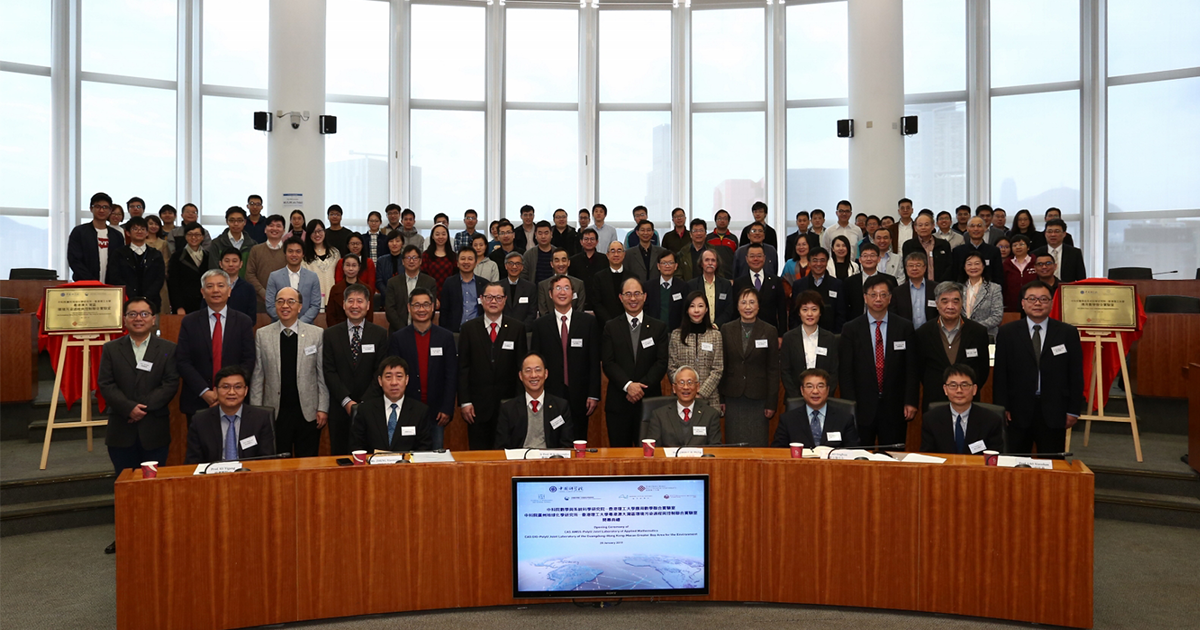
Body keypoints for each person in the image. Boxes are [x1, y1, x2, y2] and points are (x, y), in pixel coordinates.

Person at [993, 280, 1084, 453]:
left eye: (1043, 299)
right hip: (1017, 411)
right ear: (1023, 303)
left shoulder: (1067, 333)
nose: (1037, 303)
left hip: (1055, 410)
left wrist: (1073, 410)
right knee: (1016, 463)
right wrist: (1002, 407)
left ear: (1051, 303)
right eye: (1032, 298)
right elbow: (1000, 374)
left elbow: (1075, 374)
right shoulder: (1007, 332)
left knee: (1053, 465)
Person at [97, 297, 179, 485]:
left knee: (153, 485)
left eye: (144, 314)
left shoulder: (168, 349)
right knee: (125, 484)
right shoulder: (111, 349)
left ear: (153, 319)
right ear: (124, 319)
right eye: (132, 314)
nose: (138, 318)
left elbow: (170, 383)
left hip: (154, 431)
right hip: (121, 430)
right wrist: (128, 408)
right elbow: (106, 384)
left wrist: (141, 408)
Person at [837, 276, 919, 446]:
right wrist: (850, 406)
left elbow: (912, 368)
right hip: (861, 408)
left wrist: (910, 401)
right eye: (873, 295)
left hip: (895, 407)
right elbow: (846, 372)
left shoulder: (904, 327)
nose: (878, 299)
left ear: (890, 298)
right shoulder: (851, 329)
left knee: (892, 459)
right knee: (859, 459)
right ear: (865, 297)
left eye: (883, 294)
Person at [250, 287, 328, 458]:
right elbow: (257, 376)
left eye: (291, 301)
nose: (285, 306)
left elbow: (322, 374)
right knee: (277, 466)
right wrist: (257, 412)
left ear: (300, 307)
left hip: (308, 413)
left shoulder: (316, 334)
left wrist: (323, 407)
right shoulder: (263, 335)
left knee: (308, 466)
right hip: (275, 413)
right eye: (280, 301)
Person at [175, 269, 256, 423]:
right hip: (198, 399)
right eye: (210, 286)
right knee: (200, 446)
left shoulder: (243, 322)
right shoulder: (189, 322)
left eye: (220, 285)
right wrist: (205, 392)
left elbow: (248, 360)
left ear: (229, 290)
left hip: (234, 399)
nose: (215, 290)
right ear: (203, 292)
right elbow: (183, 361)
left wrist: (228, 391)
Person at [530, 274, 602, 441]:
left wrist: (593, 394)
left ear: (573, 293)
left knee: (578, 439)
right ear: (550, 294)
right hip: (550, 393)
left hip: (581, 395)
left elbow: (593, 361)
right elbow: (535, 361)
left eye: (566, 288)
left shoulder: (588, 322)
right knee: (552, 438)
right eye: (558, 288)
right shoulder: (540, 325)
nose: (562, 292)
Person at [600, 277, 670, 447]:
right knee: (619, 458)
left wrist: (639, 387)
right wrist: (628, 385)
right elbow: (608, 362)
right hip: (619, 403)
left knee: (648, 460)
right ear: (620, 297)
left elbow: (661, 363)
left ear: (645, 296)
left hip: (649, 403)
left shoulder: (658, 327)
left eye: (637, 294)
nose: (633, 299)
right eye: (628, 294)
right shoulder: (611, 327)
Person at [457, 282, 527, 450]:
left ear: (505, 300)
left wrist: (519, 403)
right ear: (481, 300)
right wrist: (465, 402)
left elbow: (521, 368)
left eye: (498, 297)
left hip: (509, 406)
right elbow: (463, 368)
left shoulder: (517, 328)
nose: (493, 301)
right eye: (489, 297)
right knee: (479, 456)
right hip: (477, 408)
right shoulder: (468, 329)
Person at [386, 288, 457, 449]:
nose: (421, 309)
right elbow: (394, 375)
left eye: (425, 305)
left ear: (433, 307)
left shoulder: (445, 337)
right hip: (406, 410)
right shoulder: (398, 338)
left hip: (437, 412)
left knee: (434, 460)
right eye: (416, 305)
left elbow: (451, 375)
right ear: (409, 308)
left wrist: (447, 408)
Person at [322, 283, 388, 455]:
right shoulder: (330, 334)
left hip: (371, 408)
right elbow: (329, 371)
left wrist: (363, 404)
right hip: (340, 408)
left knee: (370, 458)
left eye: (360, 301)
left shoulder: (380, 334)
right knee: (340, 458)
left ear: (368, 305)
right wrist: (347, 401)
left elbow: (379, 373)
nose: (355, 305)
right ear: (344, 305)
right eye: (350, 301)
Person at [719, 288, 781, 447]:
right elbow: (721, 365)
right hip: (733, 396)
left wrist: (771, 402)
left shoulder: (769, 331)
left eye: (752, 302)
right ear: (737, 306)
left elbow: (773, 369)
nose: (748, 307)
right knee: (733, 443)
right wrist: (720, 398)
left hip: (759, 398)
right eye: (743, 302)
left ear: (759, 306)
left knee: (758, 443)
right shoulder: (726, 329)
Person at [915, 281, 991, 411]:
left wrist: (968, 387)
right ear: (937, 304)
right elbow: (920, 369)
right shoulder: (923, 333)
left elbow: (983, 368)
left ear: (962, 304)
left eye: (955, 301)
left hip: (968, 400)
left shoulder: (978, 332)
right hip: (935, 399)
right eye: (945, 301)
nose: (950, 306)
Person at [184, 366, 276, 464]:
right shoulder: (200, 421)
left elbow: (267, 460)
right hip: (213, 476)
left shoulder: (260, 419)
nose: (231, 392)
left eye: (238, 387)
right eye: (225, 387)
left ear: (246, 391)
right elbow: (193, 462)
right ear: (215, 391)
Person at [349, 356, 433, 453]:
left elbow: (424, 449)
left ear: (406, 380)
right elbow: (356, 447)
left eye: (399, 376)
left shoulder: (420, 411)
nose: (394, 382)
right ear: (380, 381)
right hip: (373, 466)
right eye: (388, 377)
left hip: (407, 466)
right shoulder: (365, 410)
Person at [494, 354, 575, 449]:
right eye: (528, 371)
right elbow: (501, 447)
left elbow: (567, 445)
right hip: (519, 461)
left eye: (538, 370)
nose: (533, 375)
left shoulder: (561, 407)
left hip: (550, 461)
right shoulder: (508, 409)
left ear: (546, 374)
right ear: (521, 376)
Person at [920, 364, 1004, 455]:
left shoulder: (991, 420)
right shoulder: (931, 419)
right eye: (953, 385)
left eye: (964, 385)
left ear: (974, 389)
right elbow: (927, 456)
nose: (959, 390)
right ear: (945, 389)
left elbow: (994, 458)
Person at [770, 368, 858, 448]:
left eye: (820, 386)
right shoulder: (788, 420)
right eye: (809, 386)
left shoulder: (844, 419)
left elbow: (853, 452)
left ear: (827, 390)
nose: (815, 391)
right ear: (802, 390)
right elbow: (777, 451)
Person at [667, 291, 724, 412]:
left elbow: (717, 369)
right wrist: (685, 390)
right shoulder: (676, 335)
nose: (696, 310)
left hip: (710, 399)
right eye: (692, 306)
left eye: (700, 306)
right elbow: (672, 368)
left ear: (707, 309)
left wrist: (700, 393)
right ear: (687, 310)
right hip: (682, 399)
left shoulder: (715, 335)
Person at [641, 365, 722, 448]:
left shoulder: (711, 415)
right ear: (674, 388)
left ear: (697, 387)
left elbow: (715, 449)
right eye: (681, 383)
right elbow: (653, 450)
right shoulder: (659, 415)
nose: (686, 387)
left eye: (690, 382)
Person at [781, 290, 839, 398]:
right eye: (804, 309)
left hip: (824, 399)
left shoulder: (830, 339)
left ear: (820, 312)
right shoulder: (789, 338)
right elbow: (785, 371)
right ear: (799, 312)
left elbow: (834, 372)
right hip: (795, 399)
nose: (809, 314)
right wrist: (797, 397)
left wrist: (824, 395)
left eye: (814, 309)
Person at [68, 192, 125, 282]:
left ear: (110, 210)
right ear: (91, 209)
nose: (101, 210)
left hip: (110, 287)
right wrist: (91, 281)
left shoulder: (117, 236)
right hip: (85, 285)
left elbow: (120, 262)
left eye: (105, 207)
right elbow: (74, 260)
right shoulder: (79, 232)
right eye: (98, 207)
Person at [111, 217, 165, 312]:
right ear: (128, 233)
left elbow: (159, 278)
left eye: (143, 229)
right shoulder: (119, 253)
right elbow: (114, 276)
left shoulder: (156, 254)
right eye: (135, 229)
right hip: (126, 300)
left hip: (151, 301)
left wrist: (146, 296)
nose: (139, 231)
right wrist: (131, 295)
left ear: (147, 233)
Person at [265, 237, 322, 323]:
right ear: (285, 253)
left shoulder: (312, 277)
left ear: (303, 254)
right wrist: (286, 320)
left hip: (306, 326)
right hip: (280, 325)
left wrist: (299, 323)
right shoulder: (274, 276)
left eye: (298, 251)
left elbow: (315, 305)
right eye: (290, 251)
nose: (294, 255)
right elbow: (270, 305)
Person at [733, 242, 787, 333]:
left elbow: (782, 310)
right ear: (746, 259)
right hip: (745, 330)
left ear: (764, 258)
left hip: (771, 331)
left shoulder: (775, 281)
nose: (755, 259)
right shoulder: (739, 282)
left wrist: (782, 334)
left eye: (759, 256)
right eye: (752, 256)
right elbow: (735, 310)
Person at [789, 247, 845, 333]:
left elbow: (841, 314)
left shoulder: (837, 284)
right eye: (815, 260)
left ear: (827, 262)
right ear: (809, 263)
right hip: (803, 334)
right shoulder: (799, 285)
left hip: (830, 335)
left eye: (822, 260)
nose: (819, 264)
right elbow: (793, 314)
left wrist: (836, 336)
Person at [383, 244, 436, 333]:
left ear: (420, 261)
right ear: (403, 261)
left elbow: (431, 309)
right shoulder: (393, 282)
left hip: (423, 331)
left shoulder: (430, 282)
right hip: (397, 332)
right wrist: (404, 330)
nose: (411, 261)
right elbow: (390, 309)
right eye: (408, 258)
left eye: (415, 258)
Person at [438, 248, 488, 334]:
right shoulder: (449, 283)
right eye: (463, 259)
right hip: (455, 332)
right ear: (457, 263)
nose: (466, 262)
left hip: (479, 332)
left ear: (476, 263)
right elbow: (444, 311)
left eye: (470, 259)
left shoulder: (484, 284)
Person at [246, 214, 289, 312]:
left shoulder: (288, 251)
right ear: (265, 229)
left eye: (278, 226)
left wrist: (281, 295)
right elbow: (250, 274)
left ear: (283, 230)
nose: (274, 228)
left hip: (284, 300)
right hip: (259, 301)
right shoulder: (256, 250)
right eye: (271, 225)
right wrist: (263, 293)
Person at [844, 243, 897, 319]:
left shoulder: (890, 280)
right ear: (860, 260)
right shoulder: (849, 282)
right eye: (865, 256)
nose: (869, 259)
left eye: (872, 255)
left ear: (879, 259)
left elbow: (893, 305)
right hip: (857, 324)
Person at [168, 222, 211, 314]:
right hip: (184, 304)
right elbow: (173, 283)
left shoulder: (208, 256)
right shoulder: (177, 256)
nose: (194, 238)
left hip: (204, 303)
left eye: (197, 235)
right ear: (185, 236)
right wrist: (179, 306)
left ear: (203, 237)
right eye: (190, 234)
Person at [589, 241, 634, 327]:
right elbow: (596, 303)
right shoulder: (599, 277)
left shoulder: (632, 277)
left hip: (628, 324)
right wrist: (610, 322)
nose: (616, 254)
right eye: (612, 251)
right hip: (605, 325)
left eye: (619, 251)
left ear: (624, 254)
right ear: (607, 255)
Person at [686, 249, 735, 327]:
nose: (710, 263)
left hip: (721, 328)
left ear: (717, 264)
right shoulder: (692, 285)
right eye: (707, 260)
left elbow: (729, 309)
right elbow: (689, 308)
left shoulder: (726, 284)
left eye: (713, 260)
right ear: (701, 263)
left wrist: (716, 325)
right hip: (698, 328)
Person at [952, 217, 1005, 288]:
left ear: (985, 228)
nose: (976, 229)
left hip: (988, 292)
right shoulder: (958, 251)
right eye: (972, 226)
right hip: (964, 291)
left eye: (979, 226)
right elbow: (955, 276)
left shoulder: (994, 251)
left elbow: (998, 276)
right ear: (967, 229)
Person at [961, 251, 1004, 338]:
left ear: (983, 266)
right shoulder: (958, 288)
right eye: (969, 264)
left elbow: (997, 316)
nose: (973, 267)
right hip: (961, 335)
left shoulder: (994, 288)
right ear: (964, 267)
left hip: (986, 334)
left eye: (977, 264)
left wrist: (975, 327)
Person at [890, 252, 937, 330]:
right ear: (906, 268)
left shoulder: (935, 288)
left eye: (918, 265)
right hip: (906, 332)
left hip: (932, 332)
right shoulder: (897, 292)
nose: (914, 268)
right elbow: (894, 315)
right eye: (911, 265)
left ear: (925, 267)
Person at [325, 254, 375, 327]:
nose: (350, 269)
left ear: (359, 267)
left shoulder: (367, 289)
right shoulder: (335, 289)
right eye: (347, 265)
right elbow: (330, 315)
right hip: (339, 329)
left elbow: (369, 316)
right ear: (343, 267)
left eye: (354, 265)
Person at [644, 250, 688, 330]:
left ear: (676, 266)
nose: (667, 266)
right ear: (658, 266)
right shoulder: (648, 286)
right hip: (653, 330)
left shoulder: (683, 287)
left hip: (676, 331)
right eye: (664, 263)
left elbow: (685, 311)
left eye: (670, 263)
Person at [903, 214, 954, 283]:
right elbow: (907, 267)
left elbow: (949, 267)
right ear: (915, 228)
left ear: (933, 226)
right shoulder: (908, 245)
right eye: (920, 225)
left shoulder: (943, 244)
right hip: (918, 284)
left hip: (941, 285)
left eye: (926, 225)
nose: (923, 228)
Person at [1033, 218, 1086, 283]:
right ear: (1045, 234)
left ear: (1064, 234)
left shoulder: (1075, 253)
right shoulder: (1036, 253)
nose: (1053, 235)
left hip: (1067, 290)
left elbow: (1081, 279)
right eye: (1049, 231)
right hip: (1042, 290)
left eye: (1057, 231)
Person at [536, 248, 586, 316]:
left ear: (568, 263)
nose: (561, 264)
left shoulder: (579, 284)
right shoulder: (543, 285)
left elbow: (580, 309)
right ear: (551, 264)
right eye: (557, 261)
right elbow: (543, 311)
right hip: (549, 325)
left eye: (564, 260)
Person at [302, 219, 339, 308]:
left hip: (333, 298)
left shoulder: (335, 253)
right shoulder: (304, 255)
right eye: (313, 232)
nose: (317, 234)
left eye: (320, 231)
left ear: (324, 231)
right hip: (312, 300)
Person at [207, 206, 253, 275]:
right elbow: (214, 269)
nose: (236, 224)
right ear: (226, 221)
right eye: (232, 220)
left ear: (245, 222)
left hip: (245, 284)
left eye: (240, 220)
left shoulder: (252, 244)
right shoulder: (217, 243)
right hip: (222, 284)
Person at [501, 251, 539, 326]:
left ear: (522, 267)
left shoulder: (530, 287)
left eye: (518, 264)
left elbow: (532, 313)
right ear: (506, 266)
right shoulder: (498, 287)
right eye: (511, 263)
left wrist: (521, 329)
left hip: (524, 331)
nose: (514, 267)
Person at [625, 219, 669, 284]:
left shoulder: (662, 252)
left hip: (656, 289)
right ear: (637, 232)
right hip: (636, 289)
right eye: (642, 230)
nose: (645, 233)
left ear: (653, 232)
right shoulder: (628, 254)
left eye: (648, 230)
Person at [219, 248, 256, 321]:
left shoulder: (248, 288)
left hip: (241, 329)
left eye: (234, 261)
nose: (230, 264)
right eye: (227, 261)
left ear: (241, 264)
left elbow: (252, 318)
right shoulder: (213, 287)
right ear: (220, 264)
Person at [1003, 234, 1037, 311]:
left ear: (1028, 247)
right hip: (1012, 304)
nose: (1018, 247)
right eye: (1015, 245)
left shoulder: (1036, 262)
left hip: (1034, 303)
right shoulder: (1006, 264)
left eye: (1021, 244)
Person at [421, 223, 456, 294]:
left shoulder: (453, 256)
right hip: (430, 293)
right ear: (432, 236)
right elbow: (423, 277)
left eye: (443, 234)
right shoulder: (426, 255)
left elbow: (456, 277)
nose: (440, 237)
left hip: (450, 292)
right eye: (437, 234)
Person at [521, 221, 558, 285]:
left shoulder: (558, 253)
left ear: (551, 234)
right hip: (534, 291)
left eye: (546, 233)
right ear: (535, 235)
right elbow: (524, 277)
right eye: (540, 233)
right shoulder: (528, 254)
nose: (543, 236)